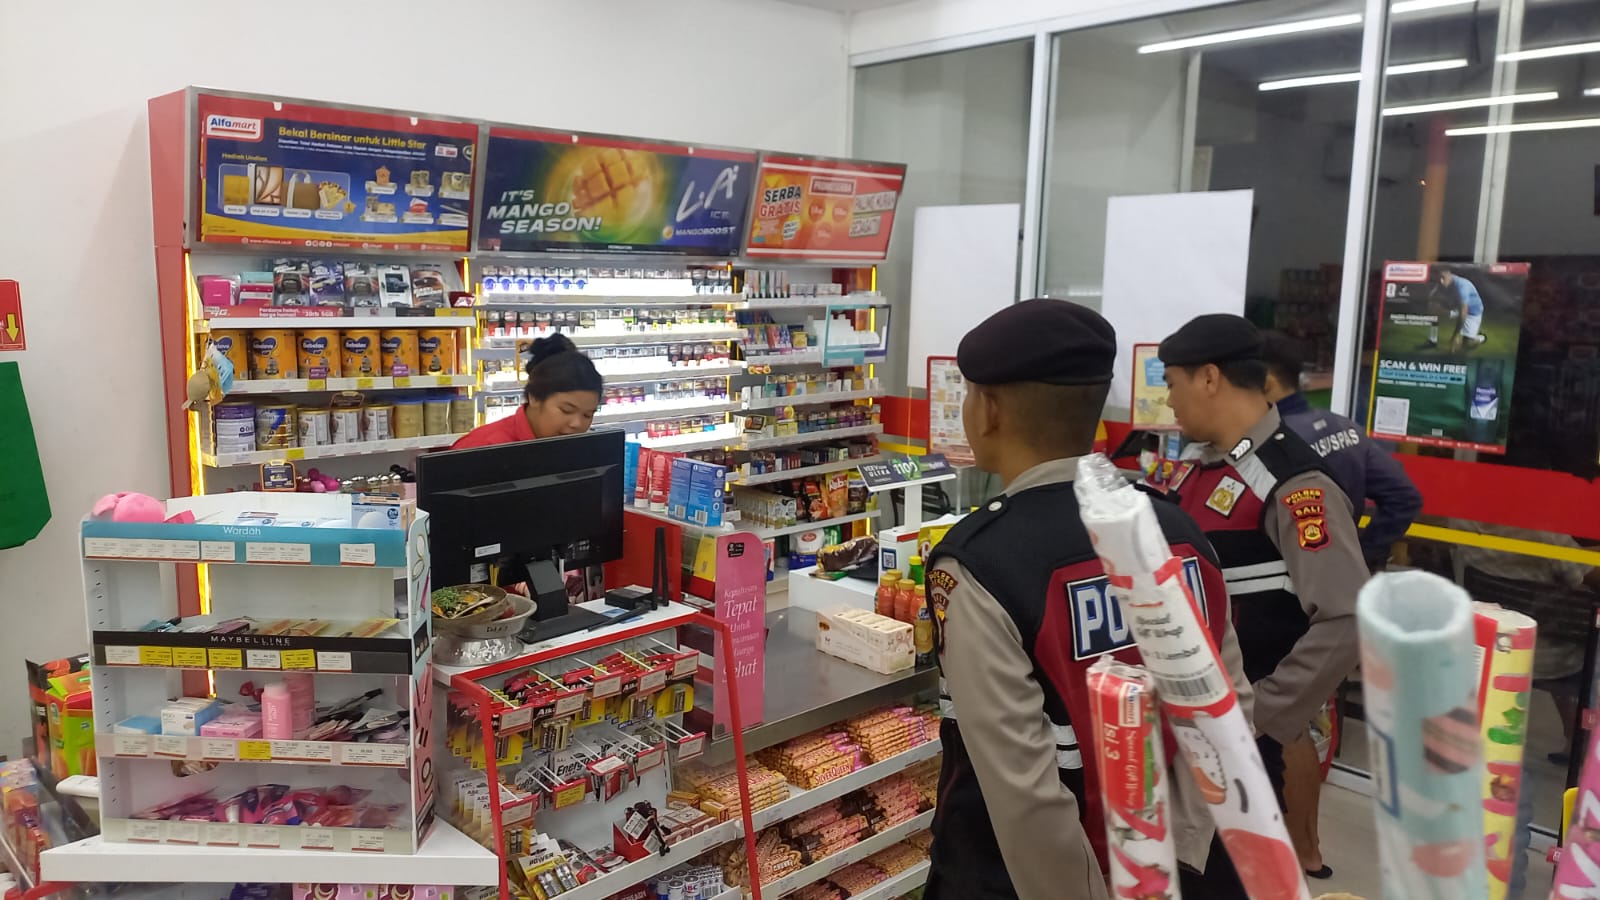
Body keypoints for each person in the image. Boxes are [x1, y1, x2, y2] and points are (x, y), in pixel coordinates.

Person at [922, 299, 1255, 900]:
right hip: (1173, 867)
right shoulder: (1178, 533)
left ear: (988, 410)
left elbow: (1026, 798)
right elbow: (1226, 714)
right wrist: (1177, 859)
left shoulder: (981, 563)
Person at [1152, 314, 1367, 888]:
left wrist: (1262, 714)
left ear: (1209, 378)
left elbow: (1346, 617)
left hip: (1239, 752)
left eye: (1171, 382)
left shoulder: (1293, 484)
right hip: (1187, 733)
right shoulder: (1202, 467)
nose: (1167, 400)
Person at [1260, 332, 1422, 573]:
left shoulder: (1272, 441)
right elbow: (1405, 496)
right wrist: (1365, 556)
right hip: (1342, 574)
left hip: (1292, 578)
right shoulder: (1344, 427)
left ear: (1266, 382)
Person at [453, 334, 602, 449]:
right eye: (566, 410)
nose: (577, 424)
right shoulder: (481, 447)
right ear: (534, 397)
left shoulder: (580, 449)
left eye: (587, 415)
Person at [1426, 266, 1488, 352]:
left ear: (1449, 273)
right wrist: (1433, 303)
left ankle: (1481, 337)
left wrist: (1455, 336)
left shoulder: (1462, 286)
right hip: (1457, 308)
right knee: (1434, 307)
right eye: (1439, 278)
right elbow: (1432, 297)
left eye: (1443, 278)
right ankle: (1432, 340)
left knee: (1467, 344)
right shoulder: (1442, 282)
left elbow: (1463, 313)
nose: (1441, 281)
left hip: (1472, 313)